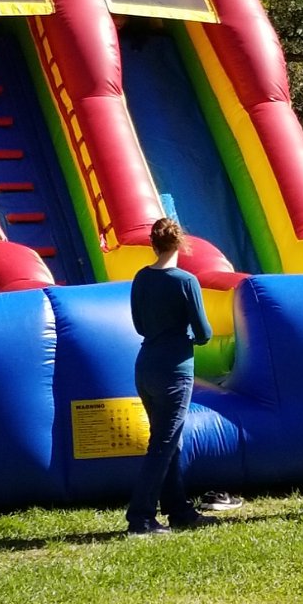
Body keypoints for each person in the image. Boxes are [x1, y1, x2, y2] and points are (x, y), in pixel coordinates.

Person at [126, 218, 216, 535]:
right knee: (162, 445)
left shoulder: (141, 277)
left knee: (168, 441)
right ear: (180, 243)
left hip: (146, 367)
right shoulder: (186, 281)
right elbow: (204, 332)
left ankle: (179, 510)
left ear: (153, 244)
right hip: (174, 371)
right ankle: (140, 518)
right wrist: (188, 338)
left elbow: (139, 325)